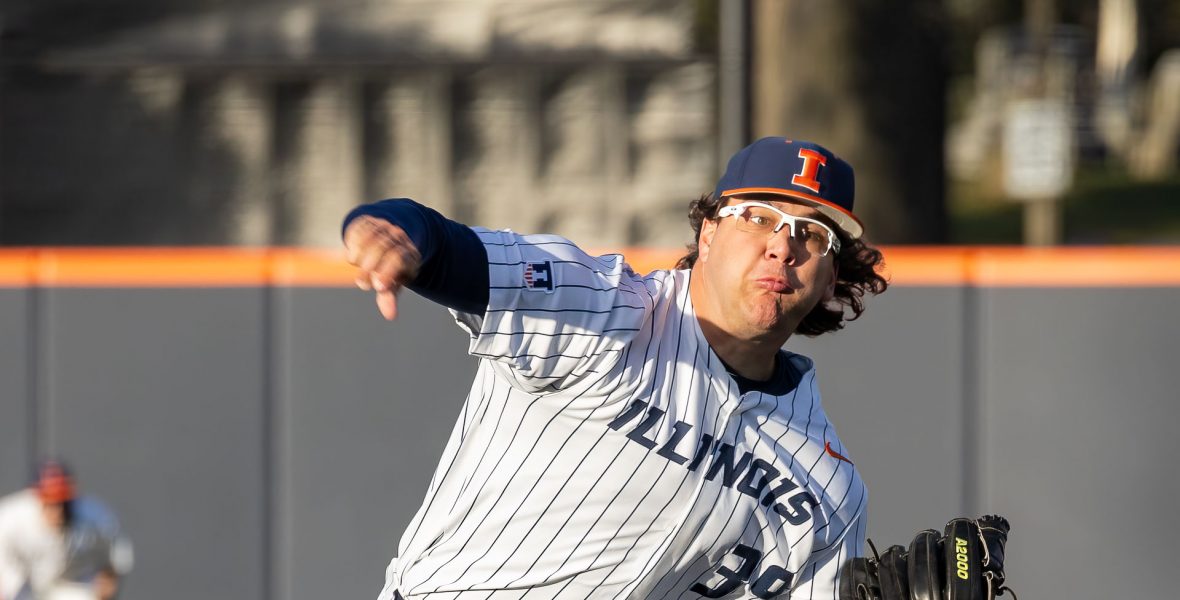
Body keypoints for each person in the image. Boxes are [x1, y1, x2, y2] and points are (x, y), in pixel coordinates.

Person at [342, 137, 888, 599]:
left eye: (813, 234)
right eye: (758, 217)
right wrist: (398, 233)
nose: (782, 246)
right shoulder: (604, 310)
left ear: (830, 275)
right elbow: (452, 249)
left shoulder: (826, 490)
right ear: (709, 233)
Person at [0, 460, 134, 600]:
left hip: (66, 584)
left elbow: (118, 546)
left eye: (63, 503)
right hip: (23, 582)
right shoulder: (12, 516)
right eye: (51, 503)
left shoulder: (93, 517)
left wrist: (110, 575)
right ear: (37, 498)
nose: (58, 510)